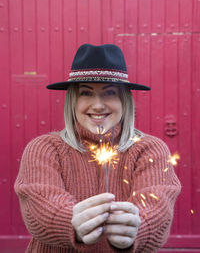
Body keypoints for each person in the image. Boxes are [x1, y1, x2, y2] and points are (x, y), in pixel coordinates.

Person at [14, 44, 181, 252]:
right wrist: (71, 222)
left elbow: (158, 207)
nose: (98, 105)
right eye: (86, 93)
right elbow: (38, 205)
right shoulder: (44, 149)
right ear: (73, 101)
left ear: (124, 100)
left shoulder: (150, 150)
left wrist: (136, 228)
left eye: (109, 92)